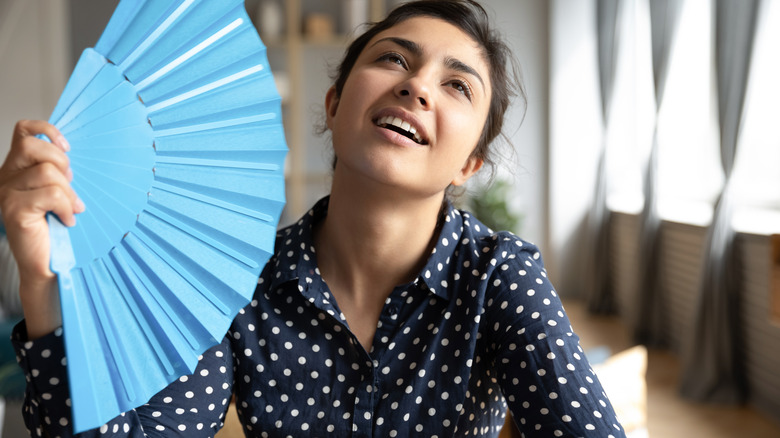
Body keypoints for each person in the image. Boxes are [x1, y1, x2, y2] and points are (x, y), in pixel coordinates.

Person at [0, 1, 627, 436]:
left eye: (458, 86)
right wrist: (42, 277)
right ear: (333, 103)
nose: (418, 87)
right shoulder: (240, 281)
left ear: (469, 164)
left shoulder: (500, 277)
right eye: (393, 60)